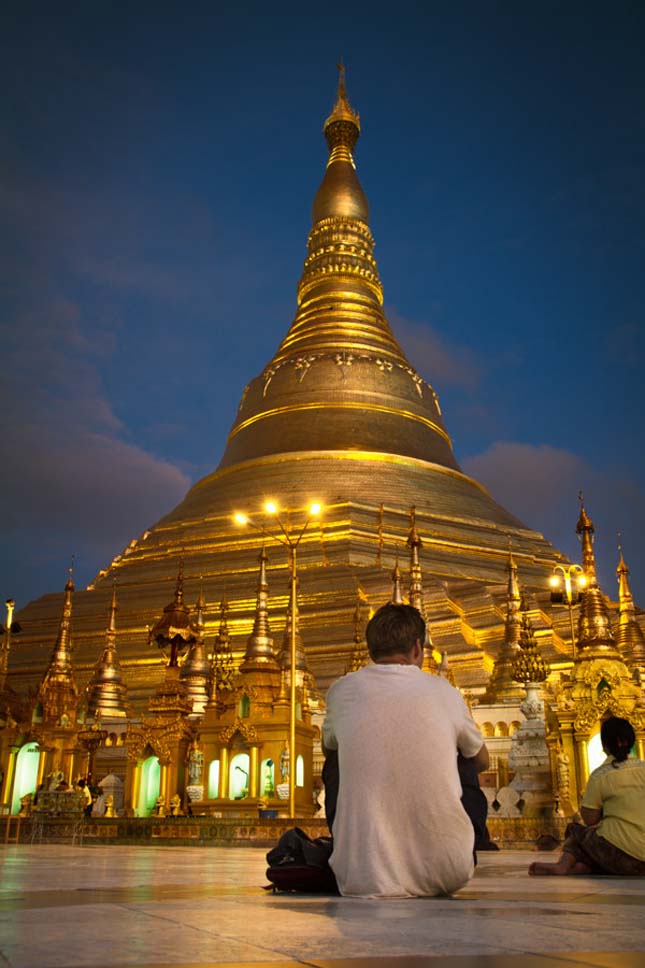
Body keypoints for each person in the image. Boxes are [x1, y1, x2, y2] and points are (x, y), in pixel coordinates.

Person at [322, 602, 489, 898]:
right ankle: (463, 842)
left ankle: (357, 847)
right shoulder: (445, 691)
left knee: (335, 754)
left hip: (360, 877)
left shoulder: (341, 690)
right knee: (466, 754)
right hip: (449, 870)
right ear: (417, 648)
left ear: (371, 650)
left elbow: (328, 749)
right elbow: (483, 761)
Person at [529, 716, 645, 876]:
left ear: (604, 746)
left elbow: (590, 820)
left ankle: (563, 866)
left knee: (577, 831)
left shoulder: (600, 775)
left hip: (622, 857)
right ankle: (584, 868)